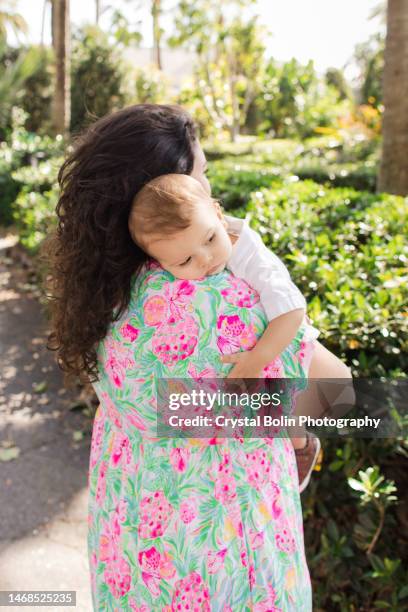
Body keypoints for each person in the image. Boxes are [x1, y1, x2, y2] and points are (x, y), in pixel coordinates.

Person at [41, 104, 350, 611]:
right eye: (201, 178)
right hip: (226, 554)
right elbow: (337, 393)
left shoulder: (100, 292)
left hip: (133, 539)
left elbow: (173, 410)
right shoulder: (221, 301)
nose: (212, 196)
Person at [127, 173, 352, 492]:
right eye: (185, 260)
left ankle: (302, 446)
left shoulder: (250, 254)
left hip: (285, 334)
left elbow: (291, 309)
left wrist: (258, 358)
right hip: (257, 348)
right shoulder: (181, 247)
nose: (205, 260)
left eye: (209, 240)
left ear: (218, 214)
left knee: (310, 397)